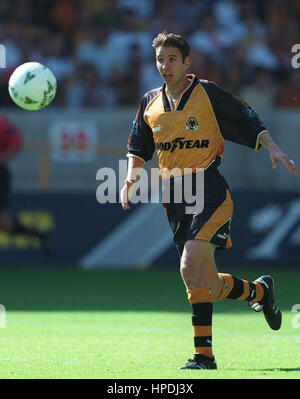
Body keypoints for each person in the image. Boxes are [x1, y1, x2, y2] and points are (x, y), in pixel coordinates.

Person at [120, 32, 298, 370]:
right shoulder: (150, 102)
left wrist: (272, 147)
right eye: (160, 59)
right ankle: (260, 293)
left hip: (209, 189)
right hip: (174, 195)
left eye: (172, 58)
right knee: (209, 284)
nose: (165, 65)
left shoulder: (207, 93)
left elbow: (246, 117)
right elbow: (138, 144)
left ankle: (204, 357)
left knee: (189, 267)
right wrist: (131, 175)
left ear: (187, 62)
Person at [0, 114, 53, 257]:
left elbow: (16, 142)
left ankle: (38, 235)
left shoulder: (3, 123)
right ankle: (38, 235)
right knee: (5, 225)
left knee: (4, 224)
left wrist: (3, 158)